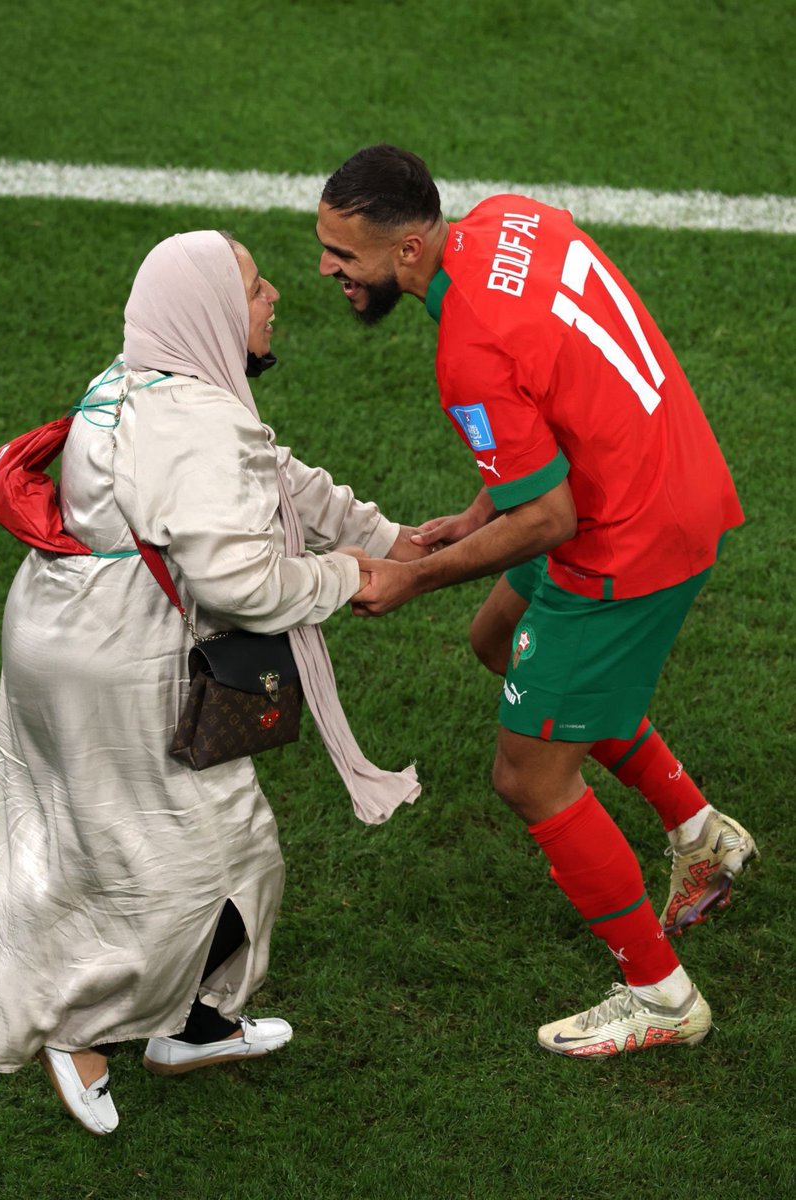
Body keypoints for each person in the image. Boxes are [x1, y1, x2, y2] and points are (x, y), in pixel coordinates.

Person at [314, 144, 757, 1058]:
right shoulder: (515, 219)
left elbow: (547, 518)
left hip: (623, 538)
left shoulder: (466, 352)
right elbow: (554, 395)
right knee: (497, 638)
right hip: (666, 476)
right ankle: (701, 830)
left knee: (528, 773)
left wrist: (414, 574)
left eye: (344, 255)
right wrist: (478, 508)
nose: (328, 270)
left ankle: (660, 994)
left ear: (405, 253)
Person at [0, 229, 424, 1134]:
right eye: (255, 289)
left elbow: (278, 479)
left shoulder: (140, 378)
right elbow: (243, 583)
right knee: (189, 862)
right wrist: (348, 574)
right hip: (116, 661)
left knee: (102, 847)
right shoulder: (200, 420)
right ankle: (78, 1030)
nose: (272, 302)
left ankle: (197, 1023)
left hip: (60, 635)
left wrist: (395, 540)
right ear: (211, 312)